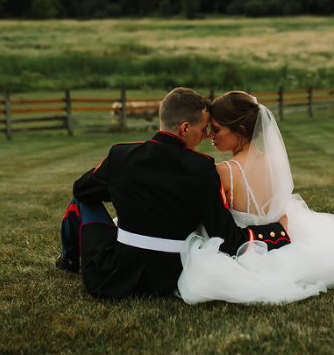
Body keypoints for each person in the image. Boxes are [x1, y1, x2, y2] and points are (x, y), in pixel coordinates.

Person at [56, 87, 290, 298]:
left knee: (82, 200)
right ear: (185, 128)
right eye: (203, 128)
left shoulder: (121, 155)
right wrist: (275, 232)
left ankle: (68, 258)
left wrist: (120, 187)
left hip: (112, 275)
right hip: (169, 276)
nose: (206, 135)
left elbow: (82, 189)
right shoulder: (202, 168)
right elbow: (226, 238)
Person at [177, 91, 334, 305]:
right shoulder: (274, 161)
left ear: (240, 130)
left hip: (246, 243)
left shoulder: (224, 172)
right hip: (282, 235)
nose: (209, 136)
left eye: (216, 130)